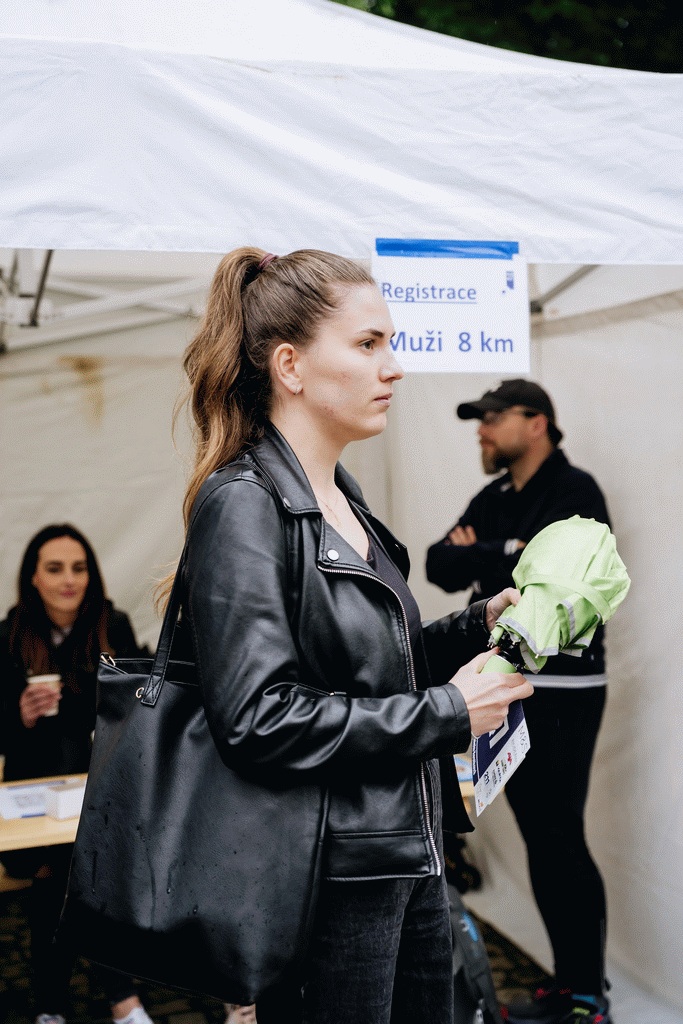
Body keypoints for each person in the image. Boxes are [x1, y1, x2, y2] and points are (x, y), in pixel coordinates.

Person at [174, 247, 534, 1024]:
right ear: (290, 367)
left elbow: (367, 665)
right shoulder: (243, 503)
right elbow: (257, 718)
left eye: (389, 343)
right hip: (325, 880)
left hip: (408, 856)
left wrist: (475, 625)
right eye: (368, 344)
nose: (393, 367)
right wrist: (446, 713)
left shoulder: (343, 492)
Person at [425, 379, 612, 1024]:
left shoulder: (576, 492)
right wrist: (511, 551)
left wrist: (483, 552)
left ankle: (587, 997)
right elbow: (437, 563)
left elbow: (559, 582)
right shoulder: (498, 496)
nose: (480, 429)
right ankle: (571, 986)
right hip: (511, 684)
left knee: (560, 837)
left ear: (537, 423)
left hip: (565, 691)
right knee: (541, 838)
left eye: (492, 417)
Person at [0, 524, 154, 1024]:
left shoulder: (113, 626)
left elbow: (136, 711)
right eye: (55, 568)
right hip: (35, 799)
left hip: (100, 790)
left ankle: (51, 1005)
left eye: (79, 567)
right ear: (34, 578)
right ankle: (121, 997)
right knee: (75, 868)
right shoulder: (10, 634)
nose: (69, 579)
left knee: (69, 871)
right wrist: (19, 715)